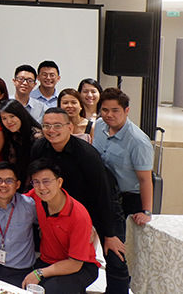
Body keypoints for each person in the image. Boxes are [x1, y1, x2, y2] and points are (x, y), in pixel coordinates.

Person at [31, 108, 128, 294]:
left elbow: (102, 194)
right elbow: (35, 179)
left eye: (57, 125)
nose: (51, 130)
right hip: (63, 205)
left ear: (70, 127)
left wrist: (108, 234)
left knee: (115, 254)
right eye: (46, 126)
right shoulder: (39, 147)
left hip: (98, 202)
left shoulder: (86, 154)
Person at [22, 159, 100, 293]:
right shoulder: (37, 196)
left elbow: (75, 263)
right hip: (48, 260)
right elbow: (16, 201)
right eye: (36, 182)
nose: (42, 187)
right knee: (23, 285)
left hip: (80, 266)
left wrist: (39, 273)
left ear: (59, 182)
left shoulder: (78, 216)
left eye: (46, 181)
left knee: (49, 290)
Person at [93, 88, 154, 226]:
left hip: (129, 200)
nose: (109, 115)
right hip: (105, 195)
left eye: (115, 110)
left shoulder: (138, 141)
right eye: (105, 110)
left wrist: (147, 212)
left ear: (126, 111)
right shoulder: (99, 125)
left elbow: (145, 180)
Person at [0, 99, 42, 185]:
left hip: (36, 182)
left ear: (20, 115)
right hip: (18, 180)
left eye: (12, 116)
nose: (9, 121)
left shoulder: (37, 136)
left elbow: (39, 166)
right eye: (4, 118)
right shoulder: (11, 135)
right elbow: (12, 163)